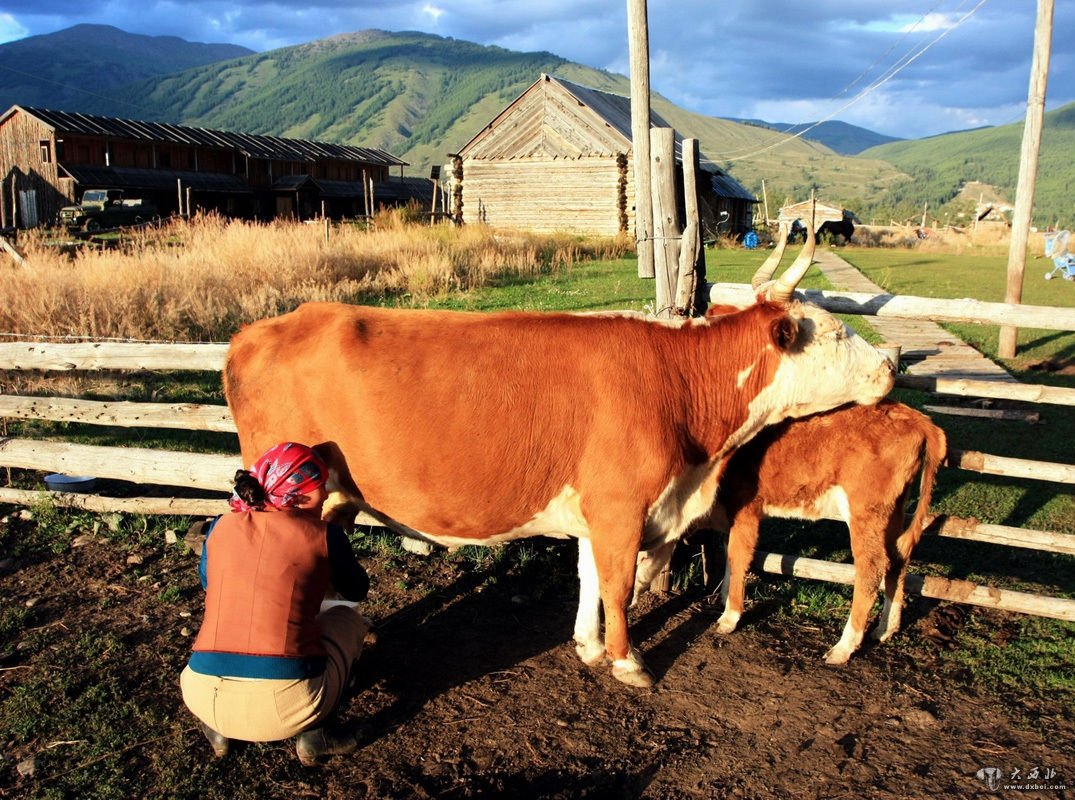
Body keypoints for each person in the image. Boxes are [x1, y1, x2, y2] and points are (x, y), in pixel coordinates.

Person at [180, 442, 371, 766]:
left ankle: (219, 729)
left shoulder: (219, 525)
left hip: (200, 695)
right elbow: (356, 590)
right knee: (346, 618)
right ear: (299, 494)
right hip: (285, 705)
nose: (326, 495)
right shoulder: (324, 534)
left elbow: (208, 583)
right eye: (320, 486)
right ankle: (318, 733)